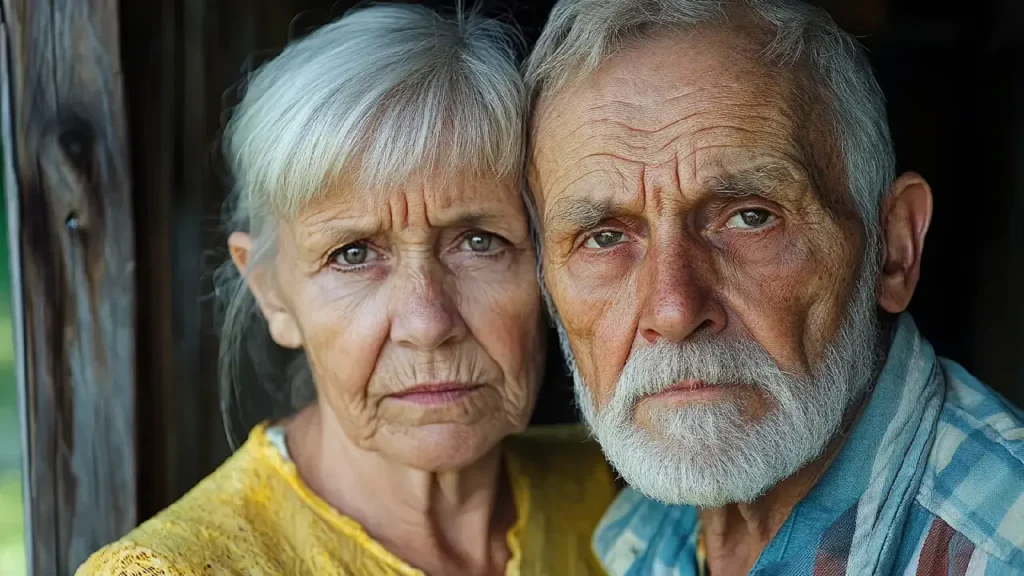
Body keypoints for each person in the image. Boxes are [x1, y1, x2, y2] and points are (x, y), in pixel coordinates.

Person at [78, 5, 616, 575]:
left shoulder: (618, 500)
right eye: (353, 254)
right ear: (271, 293)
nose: (426, 322)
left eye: (478, 241)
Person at [525, 0, 1024, 574]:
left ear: (894, 249)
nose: (673, 308)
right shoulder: (636, 537)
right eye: (605, 237)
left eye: (750, 217)